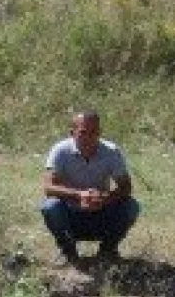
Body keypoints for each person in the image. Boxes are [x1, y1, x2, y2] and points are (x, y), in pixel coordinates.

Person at [41, 110, 139, 265]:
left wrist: (103, 198)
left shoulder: (111, 151)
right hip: (71, 215)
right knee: (50, 207)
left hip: (101, 212)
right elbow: (48, 187)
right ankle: (68, 253)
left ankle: (108, 251)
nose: (88, 138)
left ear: (99, 133)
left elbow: (126, 187)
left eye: (94, 132)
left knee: (131, 206)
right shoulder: (60, 151)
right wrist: (80, 195)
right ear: (72, 133)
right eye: (83, 132)